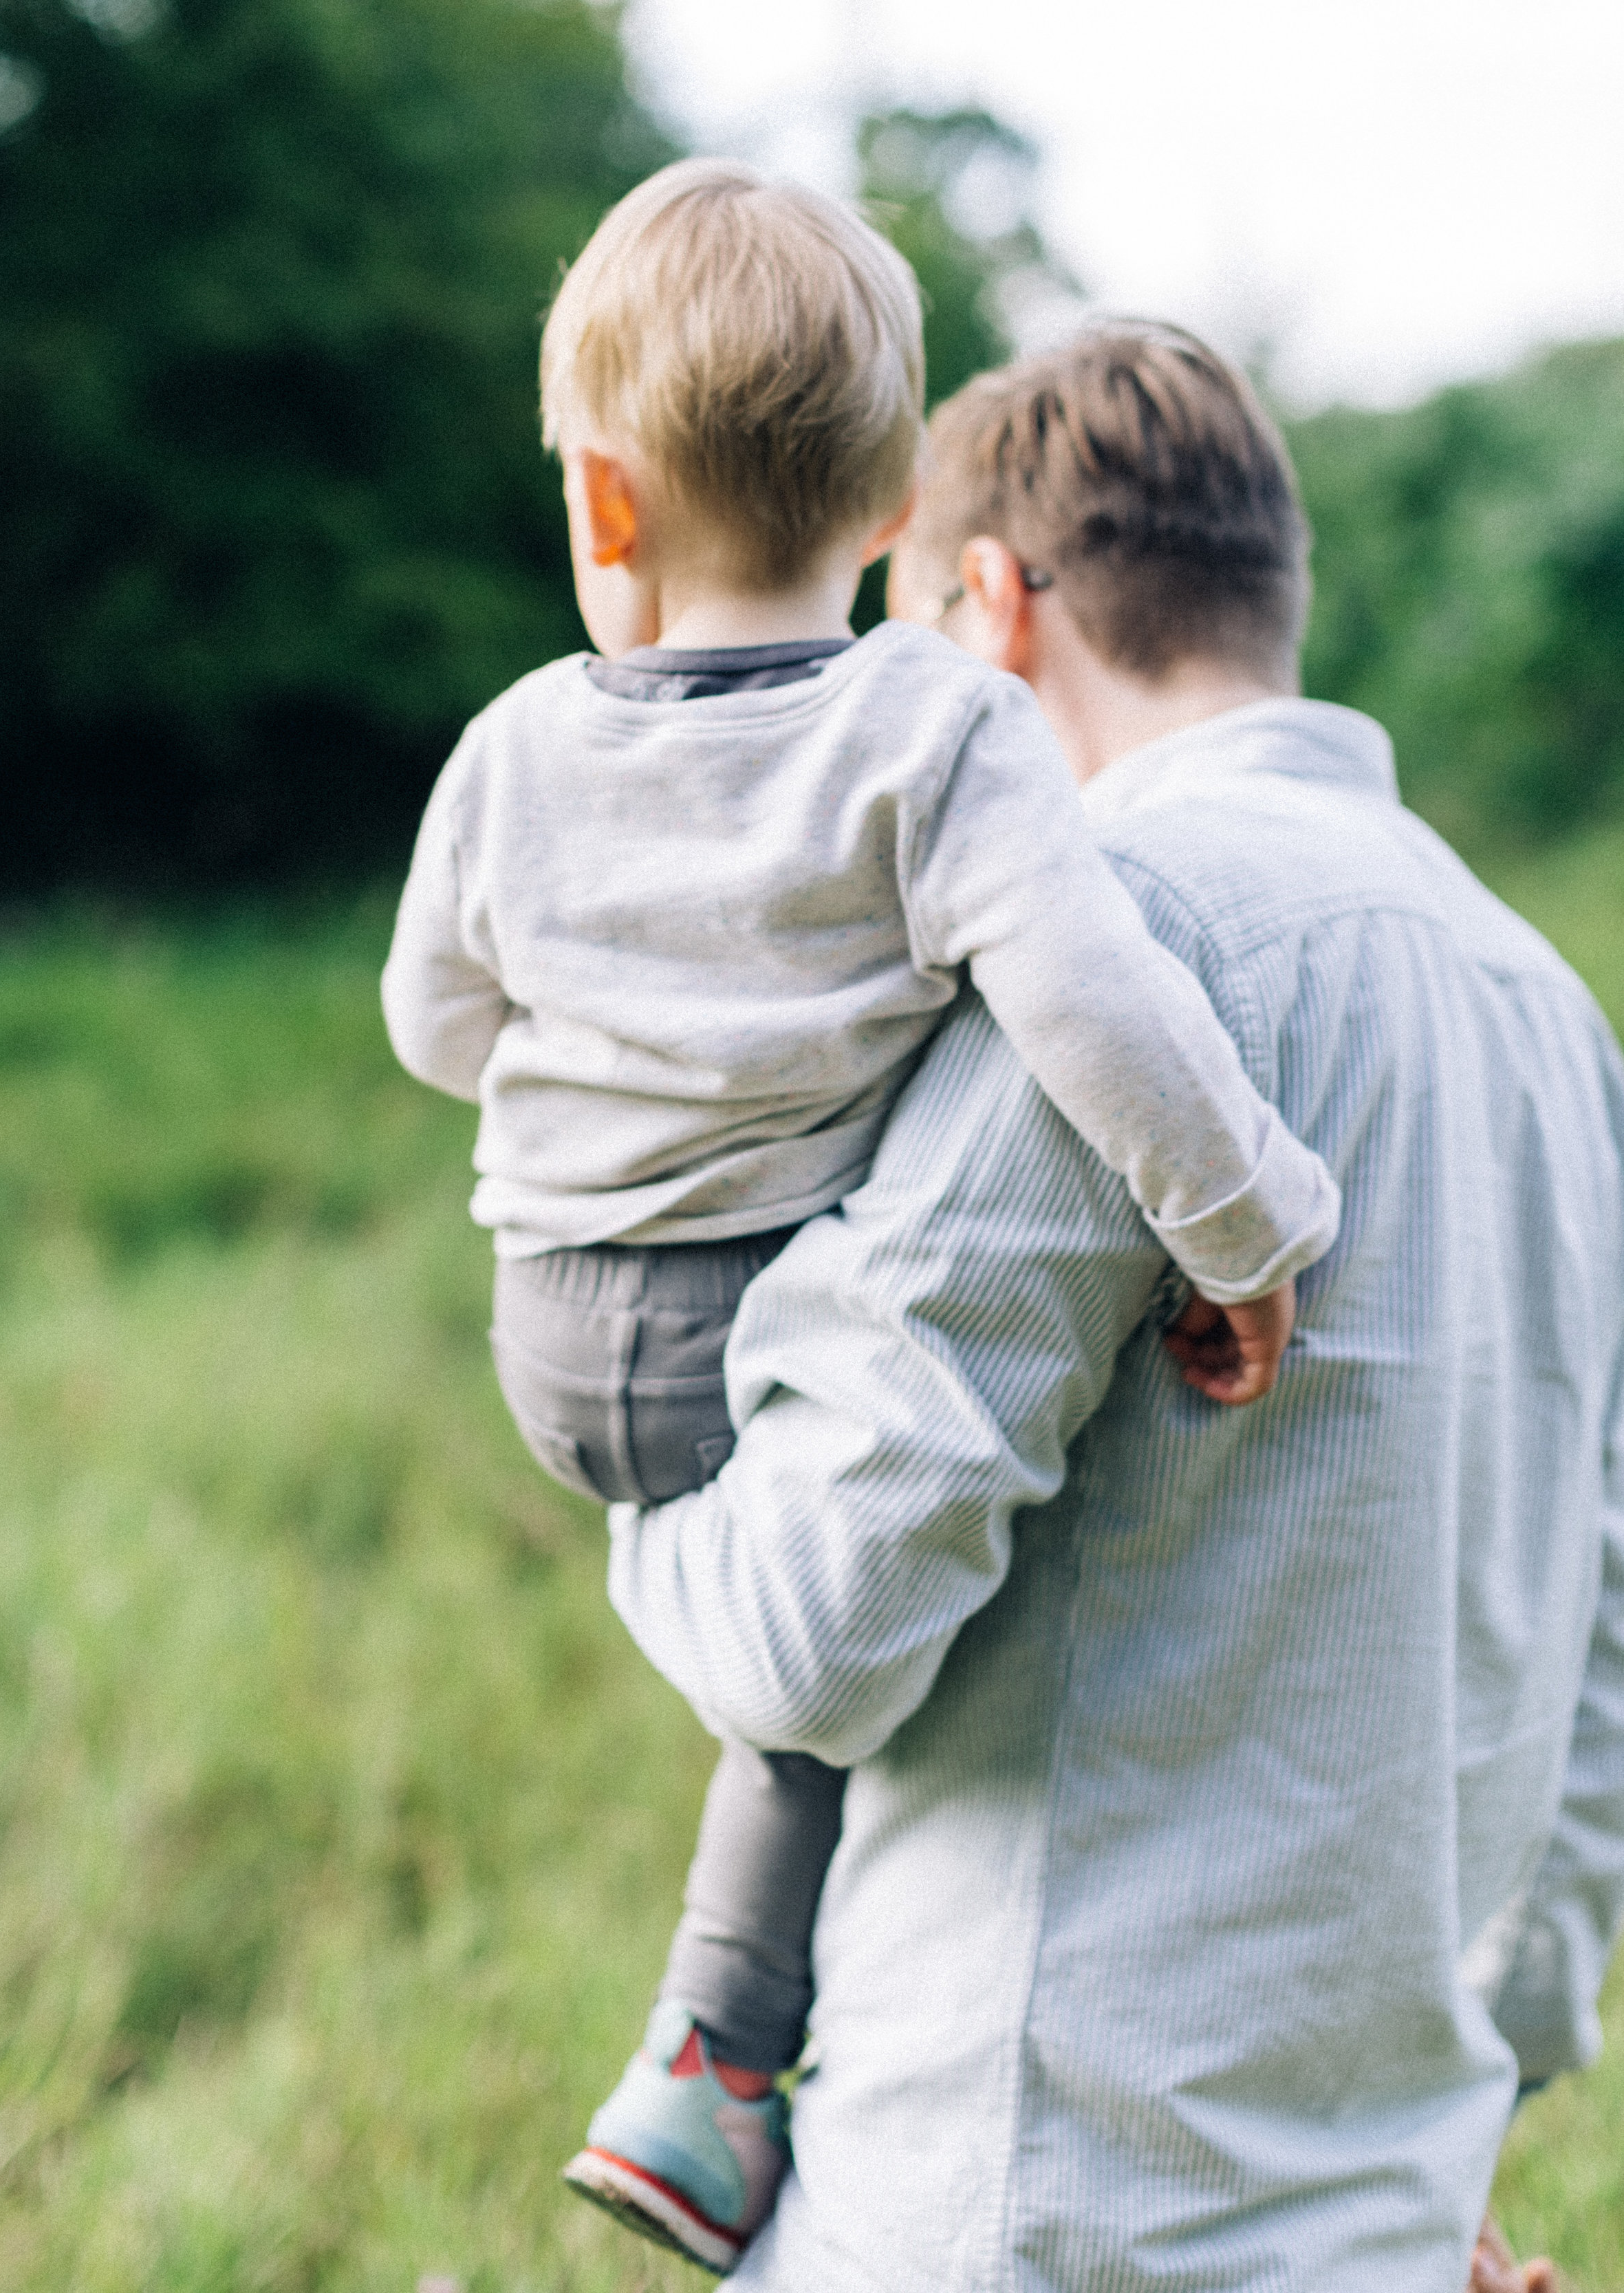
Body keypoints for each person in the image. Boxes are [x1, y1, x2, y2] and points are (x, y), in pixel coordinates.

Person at [380, 169, 1341, 2270]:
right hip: (762, 1317)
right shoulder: (935, 727)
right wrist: (1247, 1228)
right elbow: (1102, 1012)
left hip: (551, 1329)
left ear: (603, 506)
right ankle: (728, 2065)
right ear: (903, 499)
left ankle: (710, 2059)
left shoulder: (514, 745)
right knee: (867, 1633)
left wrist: (601, 1084)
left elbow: (431, 1020)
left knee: (779, 1686)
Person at [606, 325, 1624, 2288]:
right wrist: (1468, 2107)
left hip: (1009, 2200)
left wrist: (638, 1457)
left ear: (987, 606)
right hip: (1377, 2226)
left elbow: (811, 1634)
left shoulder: (1113, 947)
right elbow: (1597, 1647)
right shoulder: (1548, 1012)